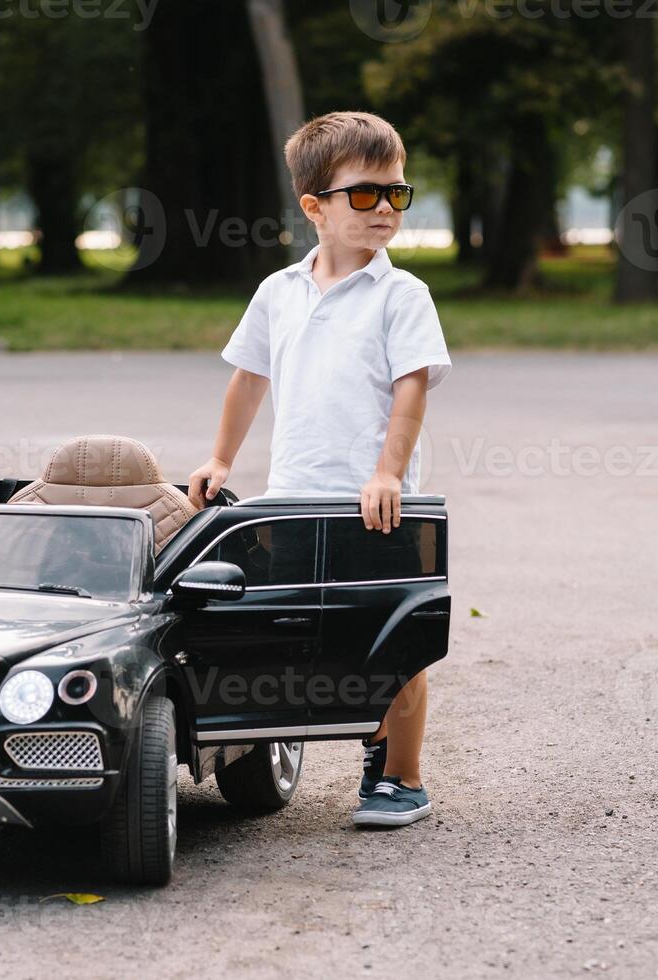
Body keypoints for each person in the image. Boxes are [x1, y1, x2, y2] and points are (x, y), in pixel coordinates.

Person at [188, 110, 451, 827]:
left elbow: (412, 389)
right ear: (315, 208)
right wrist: (220, 457)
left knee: (393, 646)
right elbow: (248, 379)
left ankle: (401, 777)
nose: (385, 210)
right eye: (366, 195)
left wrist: (388, 472)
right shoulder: (279, 291)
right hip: (295, 499)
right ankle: (275, 751)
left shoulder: (403, 296)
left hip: (377, 504)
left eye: (397, 194)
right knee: (292, 637)